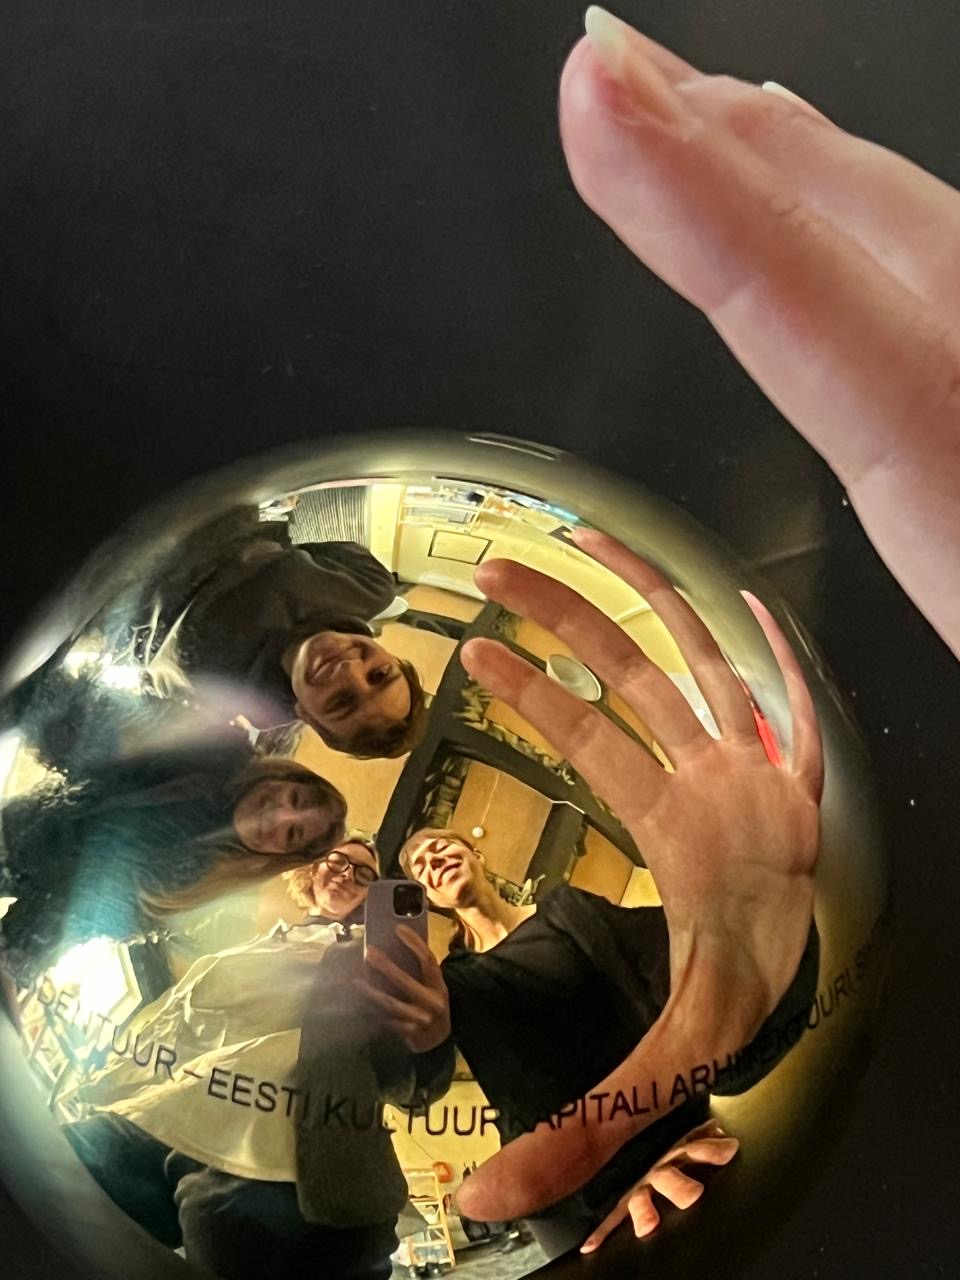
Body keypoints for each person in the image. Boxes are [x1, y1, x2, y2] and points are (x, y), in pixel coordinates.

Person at [396, 827, 812, 1258]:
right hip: (566, 1191)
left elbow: (666, 954)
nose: (433, 860)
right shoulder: (453, 984)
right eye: (420, 867)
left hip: (670, 1139)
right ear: (431, 899)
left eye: (440, 846)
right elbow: (429, 1083)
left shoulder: (566, 909)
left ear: (475, 853)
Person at [60, 836, 453, 1280]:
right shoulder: (249, 948)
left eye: (364, 874)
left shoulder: (371, 953)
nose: (347, 875)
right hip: (157, 1117)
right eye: (339, 861)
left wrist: (432, 1044)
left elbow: (409, 1084)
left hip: (275, 1147)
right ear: (312, 868)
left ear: (369, 896)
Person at [0, 739, 348, 985]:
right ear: (282, 777)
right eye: (295, 798)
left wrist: (17, 960)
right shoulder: (207, 755)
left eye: (292, 834)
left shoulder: (195, 883)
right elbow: (87, 732)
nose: (278, 816)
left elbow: (77, 916)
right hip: (13, 831)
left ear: (279, 857)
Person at [157, 534, 429, 759]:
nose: (349, 670)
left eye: (342, 700)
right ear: (393, 658)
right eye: (379, 675)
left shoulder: (222, 685)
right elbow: (298, 542)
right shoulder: (371, 585)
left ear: (305, 714)